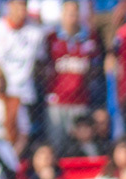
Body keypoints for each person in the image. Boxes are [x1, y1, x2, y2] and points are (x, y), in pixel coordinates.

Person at [39, 0, 104, 148]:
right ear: (62, 15)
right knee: (56, 144)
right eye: (68, 13)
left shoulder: (90, 38)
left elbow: (95, 68)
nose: (72, 17)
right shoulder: (51, 38)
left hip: (80, 100)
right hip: (56, 101)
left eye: (75, 13)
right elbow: (41, 66)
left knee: (83, 143)